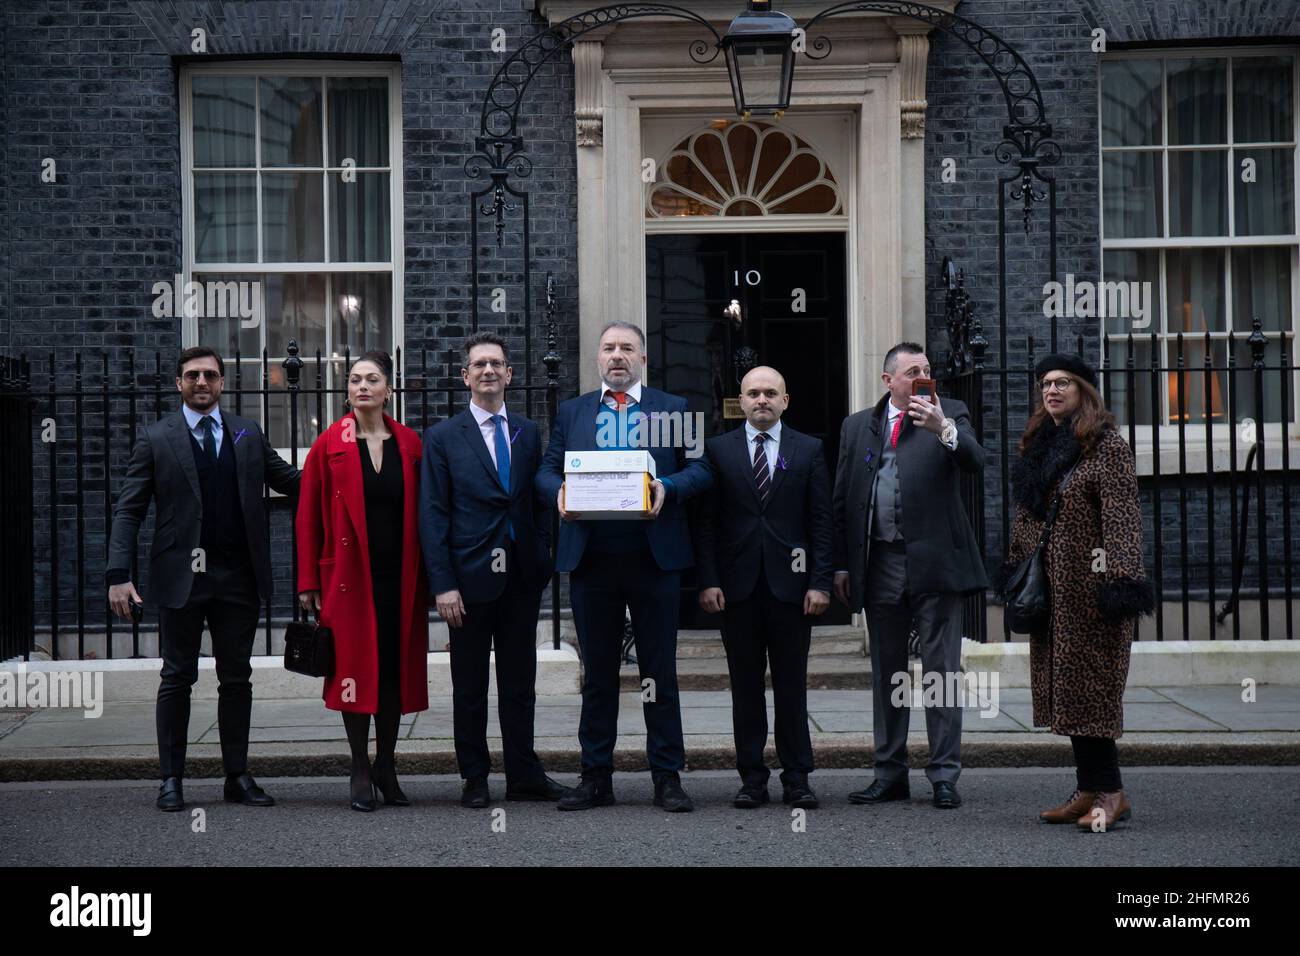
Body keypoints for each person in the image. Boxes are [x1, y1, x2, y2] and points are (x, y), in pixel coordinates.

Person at [107, 346, 300, 811]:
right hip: (181, 577)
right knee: (177, 676)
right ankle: (171, 780)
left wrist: (349, 471)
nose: (201, 382)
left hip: (237, 575)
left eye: (210, 376)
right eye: (192, 375)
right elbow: (129, 509)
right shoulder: (156, 439)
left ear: (221, 382)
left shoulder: (246, 433)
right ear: (179, 383)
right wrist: (118, 574)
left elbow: (292, 481)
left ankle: (237, 776)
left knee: (237, 679)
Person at [537, 321, 713, 812]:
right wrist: (560, 493)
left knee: (659, 671)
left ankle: (667, 776)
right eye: (609, 348)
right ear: (598, 358)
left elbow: (701, 470)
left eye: (627, 348)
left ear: (643, 359)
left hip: (653, 560)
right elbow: (547, 472)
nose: (618, 356)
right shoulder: (573, 412)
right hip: (592, 560)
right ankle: (595, 776)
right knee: (598, 674)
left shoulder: (673, 410)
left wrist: (668, 488)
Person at [992, 352, 1153, 831]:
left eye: (1063, 382)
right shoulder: (1042, 444)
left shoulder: (1107, 446)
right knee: (1068, 697)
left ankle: (1111, 793)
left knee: (1094, 696)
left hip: (1092, 594)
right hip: (1052, 596)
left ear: (1085, 389)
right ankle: (1087, 791)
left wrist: (1121, 581)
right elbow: (1029, 517)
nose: (1052, 390)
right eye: (1046, 383)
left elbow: (1122, 518)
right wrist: (1016, 570)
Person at [419, 332, 571, 808]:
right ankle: (475, 777)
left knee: (519, 683)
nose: (488, 371)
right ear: (465, 376)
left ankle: (524, 772)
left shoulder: (527, 432)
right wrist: (442, 584)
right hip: (467, 580)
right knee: (469, 686)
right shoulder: (443, 437)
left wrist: (543, 555)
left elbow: (536, 499)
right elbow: (433, 514)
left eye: (497, 364)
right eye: (479, 364)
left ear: (509, 374)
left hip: (521, 579)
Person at [832, 342, 986, 809]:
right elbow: (842, 498)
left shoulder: (950, 412)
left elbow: (975, 464)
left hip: (935, 562)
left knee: (941, 672)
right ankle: (889, 772)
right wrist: (841, 563)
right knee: (887, 673)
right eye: (913, 371)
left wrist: (944, 429)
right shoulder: (858, 425)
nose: (924, 377)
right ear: (889, 381)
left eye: (927, 369)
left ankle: (943, 775)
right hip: (879, 562)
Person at [296, 351, 429, 812]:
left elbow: (426, 515)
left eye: (372, 379)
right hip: (349, 577)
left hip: (400, 574)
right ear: (347, 390)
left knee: (392, 669)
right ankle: (358, 765)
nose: (362, 386)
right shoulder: (329, 444)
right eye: (354, 380)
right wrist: (308, 580)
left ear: (388, 390)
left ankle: (386, 765)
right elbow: (307, 516)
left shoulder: (411, 444)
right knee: (352, 668)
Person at [696, 366, 832, 810]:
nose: (762, 400)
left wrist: (820, 583)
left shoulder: (808, 449)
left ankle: (798, 777)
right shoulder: (717, 450)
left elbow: (821, 522)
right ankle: (752, 778)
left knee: (792, 687)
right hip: (736, 589)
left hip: (791, 590)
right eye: (753, 393)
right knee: (745, 687)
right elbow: (708, 524)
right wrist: (708, 579)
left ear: (785, 401)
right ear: (741, 400)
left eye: (770, 393)